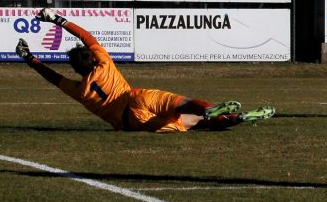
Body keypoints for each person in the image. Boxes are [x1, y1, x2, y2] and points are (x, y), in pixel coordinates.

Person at [15, 8, 275, 133]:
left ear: (77, 69)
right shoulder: (104, 64)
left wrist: (30, 59)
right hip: (137, 97)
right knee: (185, 105)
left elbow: (53, 78)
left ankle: (234, 119)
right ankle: (211, 109)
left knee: (193, 124)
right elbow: (87, 36)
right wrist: (57, 19)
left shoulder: (79, 90)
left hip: (133, 123)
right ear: (92, 61)